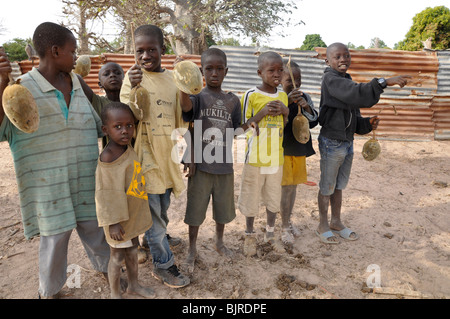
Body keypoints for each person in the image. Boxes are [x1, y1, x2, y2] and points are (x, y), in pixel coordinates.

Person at [0, 22, 110, 298]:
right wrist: (0, 83)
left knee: (96, 229)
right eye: (73, 52)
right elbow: (3, 129)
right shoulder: (20, 90)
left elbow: (100, 121)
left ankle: (109, 271)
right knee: (55, 241)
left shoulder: (77, 82)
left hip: (85, 178)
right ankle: (48, 291)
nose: (76, 57)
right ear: (55, 50)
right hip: (49, 186)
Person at [316, 42, 410, 244]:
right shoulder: (330, 79)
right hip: (332, 142)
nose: (343, 59)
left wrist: (367, 123)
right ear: (327, 60)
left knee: (339, 185)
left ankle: (336, 221)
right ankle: (322, 224)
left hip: (346, 142)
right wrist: (385, 82)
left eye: (346, 55)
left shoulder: (346, 79)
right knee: (327, 186)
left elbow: (353, 114)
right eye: (337, 56)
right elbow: (354, 92)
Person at [120, 24, 189, 288]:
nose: (145, 56)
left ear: (163, 49)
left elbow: (181, 118)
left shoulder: (173, 79)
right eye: (140, 51)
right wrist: (135, 88)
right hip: (144, 155)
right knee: (153, 212)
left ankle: (157, 235)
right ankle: (163, 263)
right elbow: (126, 116)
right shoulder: (133, 78)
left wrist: (185, 154)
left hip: (167, 154)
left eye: (152, 49)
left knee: (163, 204)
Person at [179, 48, 258, 272]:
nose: (214, 73)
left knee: (222, 210)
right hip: (201, 166)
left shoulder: (233, 100)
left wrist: (253, 121)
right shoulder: (197, 97)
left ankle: (219, 242)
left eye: (219, 69)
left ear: (226, 71)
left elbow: (235, 131)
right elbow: (186, 108)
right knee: (195, 211)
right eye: (209, 69)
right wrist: (182, 81)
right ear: (202, 71)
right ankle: (192, 248)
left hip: (224, 165)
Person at [95, 102, 155, 299]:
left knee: (131, 252)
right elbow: (105, 194)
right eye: (118, 126)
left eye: (129, 125)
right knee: (117, 256)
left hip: (132, 215)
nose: (125, 131)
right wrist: (112, 223)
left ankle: (134, 285)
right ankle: (114, 293)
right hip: (118, 221)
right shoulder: (109, 157)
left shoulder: (127, 148)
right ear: (106, 130)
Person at [238, 51, 289, 256]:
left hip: (276, 157)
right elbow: (242, 127)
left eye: (280, 69)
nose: (276, 74)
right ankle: (249, 234)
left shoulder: (283, 95)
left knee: (273, 198)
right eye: (271, 70)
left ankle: (270, 233)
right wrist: (261, 114)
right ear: (260, 72)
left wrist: (285, 112)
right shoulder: (251, 95)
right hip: (256, 158)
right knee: (251, 197)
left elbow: (284, 125)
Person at [280, 59, 319, 245]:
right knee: (285, 189)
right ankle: (283, 226)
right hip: (283, 150)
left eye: (299, 79)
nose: (296, 83)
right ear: (279, 79)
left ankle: (288, 220)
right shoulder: (278, 97)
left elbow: (313, 121)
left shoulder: (305, 97)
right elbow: (276, 122)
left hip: (299, 148)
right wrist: (287, 102)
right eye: (290, 80)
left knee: (294, 186)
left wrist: (305, 106)